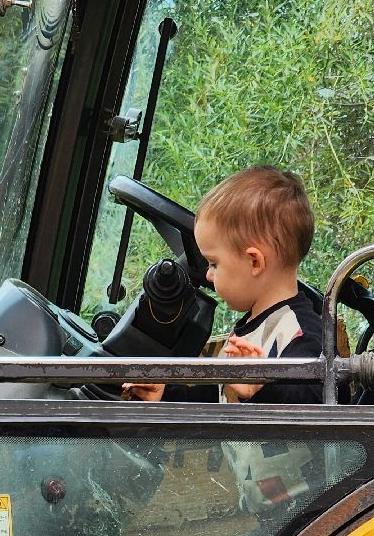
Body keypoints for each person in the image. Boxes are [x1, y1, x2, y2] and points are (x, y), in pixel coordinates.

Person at [122, 165, 323, 405]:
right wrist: (167, 395)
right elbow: (220, 395)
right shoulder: (251, 325)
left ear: (254, 261)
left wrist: (261, 389)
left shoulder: (298, 332)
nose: (208, 275)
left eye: (214, 263)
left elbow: (319, 401)